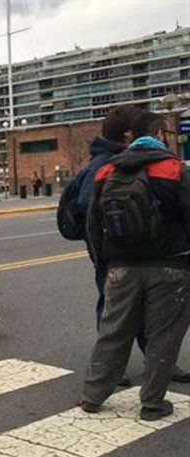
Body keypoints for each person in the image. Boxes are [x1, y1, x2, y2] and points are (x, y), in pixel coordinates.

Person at [82, 112, 190, 420]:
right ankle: (152, 404)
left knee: (113, 331)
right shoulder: (174, 170)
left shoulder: (107, 172)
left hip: (120, 268)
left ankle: (93, 395)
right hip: (170, 267)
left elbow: (93, 225)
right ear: (158, 134)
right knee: (164, 336)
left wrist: (104, 264)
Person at [74, 105, 152, 371]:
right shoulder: (107, 166)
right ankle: (108, 367)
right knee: (113, 311)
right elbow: (89, 209)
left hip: (114, 253)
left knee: (136, 308)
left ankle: (153, 359)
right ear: (129, 135)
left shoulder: (105, 162)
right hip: (115, 254)